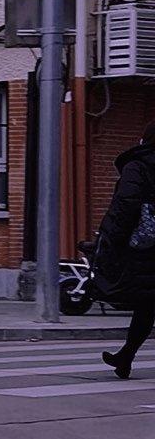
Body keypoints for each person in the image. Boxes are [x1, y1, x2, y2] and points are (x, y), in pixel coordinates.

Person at [93, 122, 155, 379]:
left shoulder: (138, 166)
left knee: (146, 302)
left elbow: (125, 205)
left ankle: (126, 357)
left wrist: (110, 239)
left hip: (144, 246)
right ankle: (125, 356)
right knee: (147, 304)